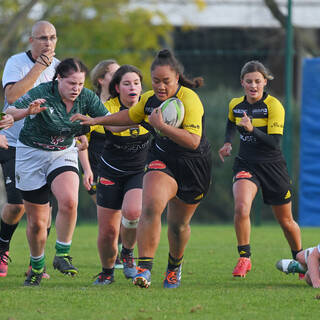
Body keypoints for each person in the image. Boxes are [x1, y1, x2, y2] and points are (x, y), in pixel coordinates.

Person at [71, 49, 212, 289]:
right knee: (150, 205)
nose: (160, 86)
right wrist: (96, 121)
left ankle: (174, 267)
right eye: (155, 81)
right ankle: (144, 268)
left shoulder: (190, 100)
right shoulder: (148, 100)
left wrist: (162, 127)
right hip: (163, 159)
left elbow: (193, 141)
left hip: (193, 165)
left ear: (177, 77)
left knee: (178, 226)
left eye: (166, 81)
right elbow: (128, 116)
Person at [6, 58, 109, 286]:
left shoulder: (87, 98)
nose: (76, 88)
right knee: (37, 223)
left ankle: (62, 255)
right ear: (59, 78)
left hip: (63, 152)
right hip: (31, 154)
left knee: (70, 201)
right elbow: (10, 110)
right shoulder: (43, 91)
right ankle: (36, 266)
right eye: (71, 83)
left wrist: (138, 121)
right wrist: (26, 111)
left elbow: (110, 121)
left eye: (80, 84)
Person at [218, 60, 302, 278]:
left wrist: (251, 129)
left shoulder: (273, 106)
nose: (253, 85)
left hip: (273, 167)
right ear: (242, 83)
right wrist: (227, 142)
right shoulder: (236, 104)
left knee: (286, 221)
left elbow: (274, 143)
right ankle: (244, 258)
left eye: (257, 81)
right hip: (246, 164)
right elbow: (230, 123)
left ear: (265, 82)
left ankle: (301, 259)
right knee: (241, 207)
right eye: (249, 81)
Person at [0, 20, 60, 279]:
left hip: (47, 147)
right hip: (14, 143)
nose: (48, 42)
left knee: (44, 209)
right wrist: (39, 67)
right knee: (16, 205)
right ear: (31, 40)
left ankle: (36, 264)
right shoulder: (16, 63)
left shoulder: (61, 68)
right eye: (43, 38)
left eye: (52, 37)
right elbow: (13, 97)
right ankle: (2, 248)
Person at [87, 64, 152, 285]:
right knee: (107, 232)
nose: (133, 87)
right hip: (110, 171)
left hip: (138, 171)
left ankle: (128, 252)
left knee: (133, 212)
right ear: (117, 87)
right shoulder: (107, 107)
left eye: (136, 83)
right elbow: (109, 129)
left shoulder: (150, 106)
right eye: (127, 83)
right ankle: (107, 272)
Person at [78, 59, 123, 268]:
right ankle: (117, 256)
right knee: (111, 215)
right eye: (115, 73)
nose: (120, 75)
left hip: (123, 164)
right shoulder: (89, 103)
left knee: (126, 213)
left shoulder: (123, 103)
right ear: (101, 79)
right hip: (97, 167)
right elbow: (81, 141)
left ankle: (124, 253)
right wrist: (86, 170)